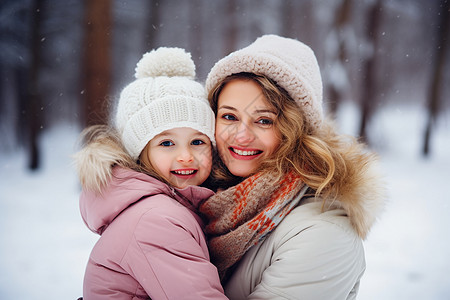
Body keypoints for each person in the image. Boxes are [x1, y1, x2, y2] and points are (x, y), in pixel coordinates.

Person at [199, 34, 385, 299]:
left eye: (264, 121)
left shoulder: (323, 233)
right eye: (229, 116)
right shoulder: (197, 196)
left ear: (294, 129)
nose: (240, 135)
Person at [74, 47, 227, 299]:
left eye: (198, 142)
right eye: (166, 143)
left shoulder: (167, 205)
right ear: (139, 152)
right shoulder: (155, 219)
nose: (185, 156)